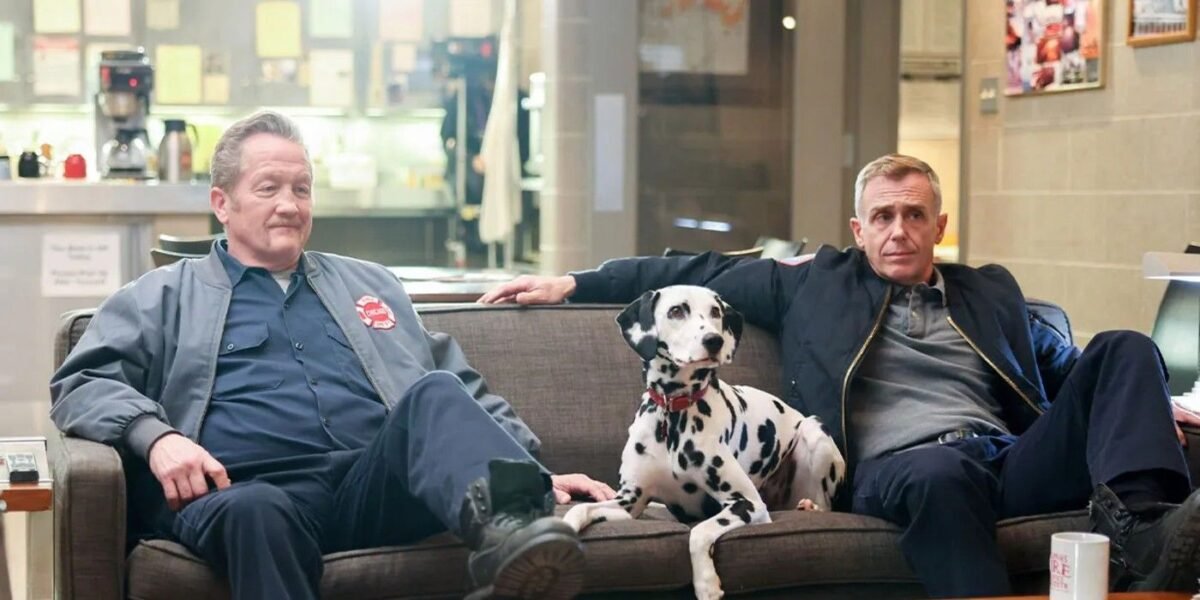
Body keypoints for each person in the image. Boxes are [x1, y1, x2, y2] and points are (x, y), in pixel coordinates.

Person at [479, 153, 1200, 598]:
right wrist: (574, 283)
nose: (898, 230)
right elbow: (696, 270)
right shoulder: (813, 283)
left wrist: (1143, 403)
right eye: (882, 216)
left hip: (1009, 460)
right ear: (858, 230)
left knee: (1128, 346)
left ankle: (1147, 538)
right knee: (939, 474)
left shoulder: (991, 291)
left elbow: (1070, 371)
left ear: (939, 225)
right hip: (897, 469)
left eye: (914, 215)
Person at [50, 111, 614, 600]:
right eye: (269, 188)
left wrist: (528, 473)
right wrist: (157, 438)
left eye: (302, 189)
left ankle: (514, 542)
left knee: (435, 391)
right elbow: (81, 382)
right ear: (222, 203)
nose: (289, 205)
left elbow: (458, 390)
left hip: (370, 488)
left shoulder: (371, 285)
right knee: (258, 512)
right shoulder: (161, 295)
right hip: (243, 491)